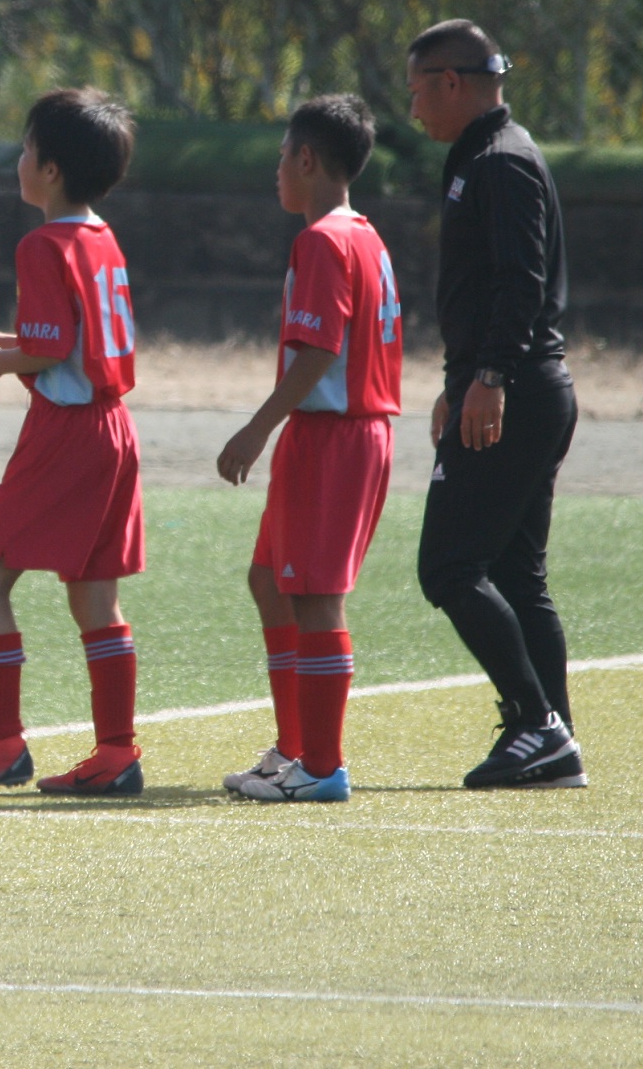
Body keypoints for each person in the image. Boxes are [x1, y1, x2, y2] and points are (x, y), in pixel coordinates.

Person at [0, 90, 146, 798]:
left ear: (48, 170)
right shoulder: (100, 237)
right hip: (112, 431)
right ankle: (115, 752)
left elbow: (52, 345)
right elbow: (77, 341)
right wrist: (1, 341)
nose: (18, 161)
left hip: (65, 437)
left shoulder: (42, 243)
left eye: (24, 151)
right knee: (92, 598)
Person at [406, 20, 585, 790]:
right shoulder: (482, 155)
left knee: (448, 566)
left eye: (417, 90)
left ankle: (536, 724)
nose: (413, 108)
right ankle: (553, 737)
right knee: (517, 574)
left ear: (451, 81)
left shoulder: (501, 161)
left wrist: (489, 379)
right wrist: (461, 381)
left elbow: (521, 280)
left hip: (517, 387)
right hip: (517, 385)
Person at [215, 95, 401, 804]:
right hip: (335, 434)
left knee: (317, 597)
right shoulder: (363, 233)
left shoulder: (322, 240)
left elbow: (319, 350)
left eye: (280, 157)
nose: (275, 173)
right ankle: (291, 749)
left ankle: (321, 767)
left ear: (305, 159)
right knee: (269, 579)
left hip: (335, 435)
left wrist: (255, 427)